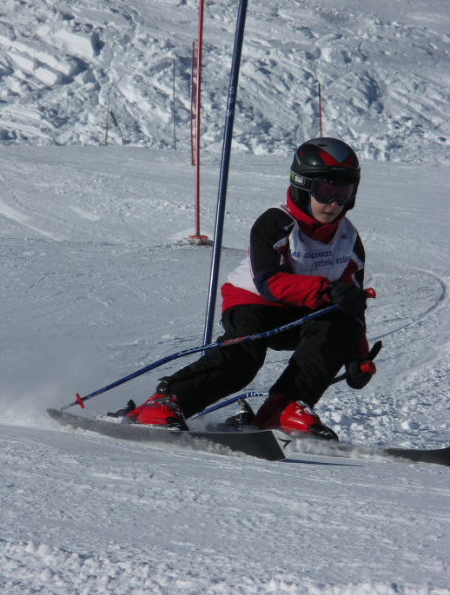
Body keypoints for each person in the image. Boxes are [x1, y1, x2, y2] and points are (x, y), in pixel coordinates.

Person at [116, 137, 376, 439]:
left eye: (344, 192)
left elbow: (351, 304)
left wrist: (358, 356)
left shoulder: (347, 238)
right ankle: (167, 401)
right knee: (244, 358)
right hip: (253, 302)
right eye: (325, 191)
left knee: (338, 328)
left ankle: (283, 407)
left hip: (302, 310)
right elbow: (269, 282)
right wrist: (327, 292)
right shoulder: (276, 222)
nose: (334, 203)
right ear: (302, 186)